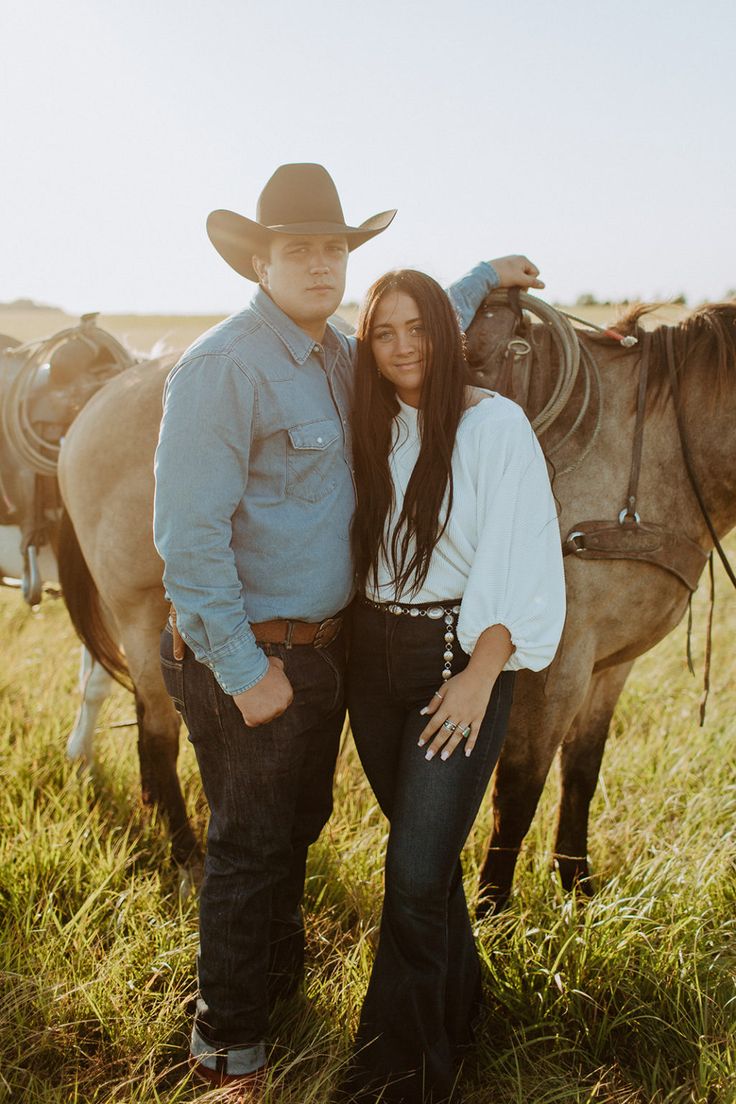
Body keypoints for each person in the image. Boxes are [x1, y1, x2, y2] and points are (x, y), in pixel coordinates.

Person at [153, 162, 544, 1094]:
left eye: (335, 249)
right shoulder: (224, 368)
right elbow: (189, 539)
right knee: (250, 844)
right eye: (300, 250)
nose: (321, 265)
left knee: (298, 828)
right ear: (259, 258)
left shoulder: (333, 349)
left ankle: (273, 990)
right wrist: (246, 672)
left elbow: (408, 329)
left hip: (331, 654)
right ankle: (229, 1046)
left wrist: (483, 270)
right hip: (250, 650)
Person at [343, 269, 566, 1103]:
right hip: (372, 659)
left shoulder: (493, 424)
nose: (402, 348)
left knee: (408, 879)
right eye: (384, 334)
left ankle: (404, 1074)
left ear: (447, 328)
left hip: (454, 659)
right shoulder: (369, 423)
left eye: (417, 328)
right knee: (425, 868)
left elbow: (522, 552)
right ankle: (462, 1012)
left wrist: (481, 674)